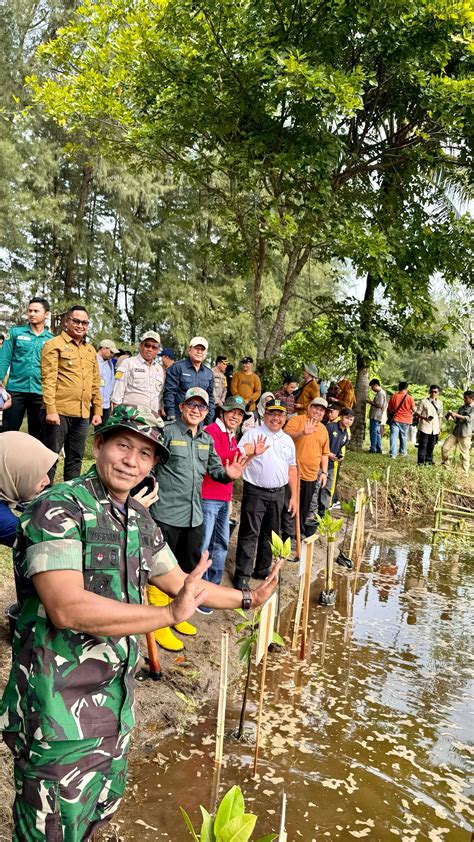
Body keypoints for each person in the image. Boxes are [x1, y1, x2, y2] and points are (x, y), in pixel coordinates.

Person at [0, 405, 282, 841]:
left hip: (114, 709)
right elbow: (67, 607)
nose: (132, 460)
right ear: (99, 446)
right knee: (50, 831)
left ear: (153, 465)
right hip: (57, 714)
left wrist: (247, 598)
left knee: (92, 822)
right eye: (123, 446)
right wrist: (167, 616)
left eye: (145, 454)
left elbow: (181, 584)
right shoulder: (58, 509)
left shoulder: (138, 518)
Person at [200, 395, 267, 612]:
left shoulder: (232, 436)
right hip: (208, 496)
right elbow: (217, 460)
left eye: (239, 414)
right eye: (232, 412)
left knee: (220, 544)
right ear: (223, 412)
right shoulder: (211, 431)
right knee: (204, 545)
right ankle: (198, 592)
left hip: (223, 497)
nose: (236, 417)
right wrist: (243, 451)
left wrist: (251, 455)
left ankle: (214, 590)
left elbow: (235, 466)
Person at [233, 398, 297, 588]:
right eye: (271, 413)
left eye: (280, 414)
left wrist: (293, 496)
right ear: (264, 414)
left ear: (285, 418)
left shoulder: (287, 440)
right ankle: (242, 575)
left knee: (271, 533)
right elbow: (238, 454)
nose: (275, 418)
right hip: (255, 491)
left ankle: (262, 569)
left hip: (279, 493)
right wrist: (253, 453)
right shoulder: (253, 434)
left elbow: (292, 469)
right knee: (249, 532)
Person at [41, 304, 102, 481]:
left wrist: (97, 410)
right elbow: (48, 379)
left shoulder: (89, 350)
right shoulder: (53, 345)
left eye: (85, 322)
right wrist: (50, 409)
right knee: (50, 456)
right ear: (66, 321)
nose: (80, 325)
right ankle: (43, 497)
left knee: (76, 457)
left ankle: (68, 497)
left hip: (82, 413)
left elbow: (95, 382)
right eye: (76, 321)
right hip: (59, 411)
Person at [0, 297, 54, 439]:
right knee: (8, 431)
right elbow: (4, 359)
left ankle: (33, 462)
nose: (32, 314)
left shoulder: (52, 339)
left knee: (38, 434)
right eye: (30, 311)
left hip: (40, 391)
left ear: (46, 314)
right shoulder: (15, 333)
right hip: (15, 391)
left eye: (36, 311)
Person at [0, 432, 57, 548]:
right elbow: (46, 540)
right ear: (14, 474)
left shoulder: (3, 480)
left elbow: (33, 504)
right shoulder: (3, 521)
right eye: (38, 474)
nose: (47, 481)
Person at [283, 397, 330, 539]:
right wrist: (302, 433)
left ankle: (298, 534)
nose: (318, 412)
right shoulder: (297, 420)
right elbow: (284, 437)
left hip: (311, 475)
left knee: (304, 506)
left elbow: (325, 453)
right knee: (289, 504)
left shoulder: (323, 429)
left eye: (322, 410)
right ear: (309, 407)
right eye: (316, 408)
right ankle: (287, 534)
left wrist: (324, 472)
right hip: (293, 472)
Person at [163, 336, 214, 423]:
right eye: (196, 348)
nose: (199, 352)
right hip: (178, 418)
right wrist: (170, 415)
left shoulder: (209, 373)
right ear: (189, 350)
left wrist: (208, 421)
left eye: (202, 349)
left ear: (206, 353)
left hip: (198, 420)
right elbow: (169, 393)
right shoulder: (177, 367)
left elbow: (210, 398)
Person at [111, 331, 164, 415]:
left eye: (154, 347)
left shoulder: (159, 369)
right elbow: (117, 395)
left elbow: (159, 395)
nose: (150, 349)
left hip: (152, 418)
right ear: (141, 346)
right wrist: (116, 417)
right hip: (130, 417)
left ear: (157, 350)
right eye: (147, 345)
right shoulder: (128, 363)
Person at [318, 408, 355, 517]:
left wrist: (339, 457)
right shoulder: (330, 427)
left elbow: (340, 448)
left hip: (331, 465)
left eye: (351, 420)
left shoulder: (346, 434)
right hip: (319, 463)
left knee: (328, 489)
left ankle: (323, 514)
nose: (348, 421)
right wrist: (328, 454)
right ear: (341, 416)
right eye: (347, 418)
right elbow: (318, 444)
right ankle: (312, 514)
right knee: (316, 489)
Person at [441, 390, 473, 475]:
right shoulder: (462, 407)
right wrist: (450, 417)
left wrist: (456, 415)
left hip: (465, 434)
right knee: (445, 448)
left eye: (466, 398)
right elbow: (457, 420)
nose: (464, 400)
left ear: (472, 398)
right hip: (456, 432)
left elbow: (468, 418)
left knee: (465, 454)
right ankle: (446, 466)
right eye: (464, 398)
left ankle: (464, 473)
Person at [387, 382, 415, 459]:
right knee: (403, 436)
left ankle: (393, 454)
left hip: (395, 419)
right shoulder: (410, 398)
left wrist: (389, 416)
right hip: (406, 420)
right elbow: (414, 409)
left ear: (399, 388)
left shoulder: (394, 396)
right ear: (407, 388)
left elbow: (389, 409)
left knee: (393, 436)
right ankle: (402, 452)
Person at [415, 385, 443, 466]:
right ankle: (420, 462)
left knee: (431, 445)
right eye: (432, 391)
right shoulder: (423, 401)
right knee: (423, 445)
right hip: (425, 426)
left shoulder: (440, 403)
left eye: (435, 392)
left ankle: (429, 460)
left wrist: (439, 427)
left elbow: (440, 416)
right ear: (429, 392)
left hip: (435, 428)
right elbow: (417, 413)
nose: (433, 393)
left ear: (438, 393)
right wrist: (425, 418)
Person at [96, 339, 119, 425]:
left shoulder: (110, 364)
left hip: (106, 404)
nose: (112, 355)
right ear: (104, 349)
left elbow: (111, 381)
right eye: (111, 352)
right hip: (92, 403)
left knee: (103, 430)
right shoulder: (92, 360)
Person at [367, 378, 387, 454]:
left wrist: (370, 402)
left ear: (376, 385)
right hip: (377, 416)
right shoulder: (381, 393)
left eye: (372, 387)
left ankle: (373, 448)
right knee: (377, 432)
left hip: (376, 416)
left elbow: (379, 405)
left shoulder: (380, 393)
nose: (372, 389)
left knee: (373, 432)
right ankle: (378, 448)